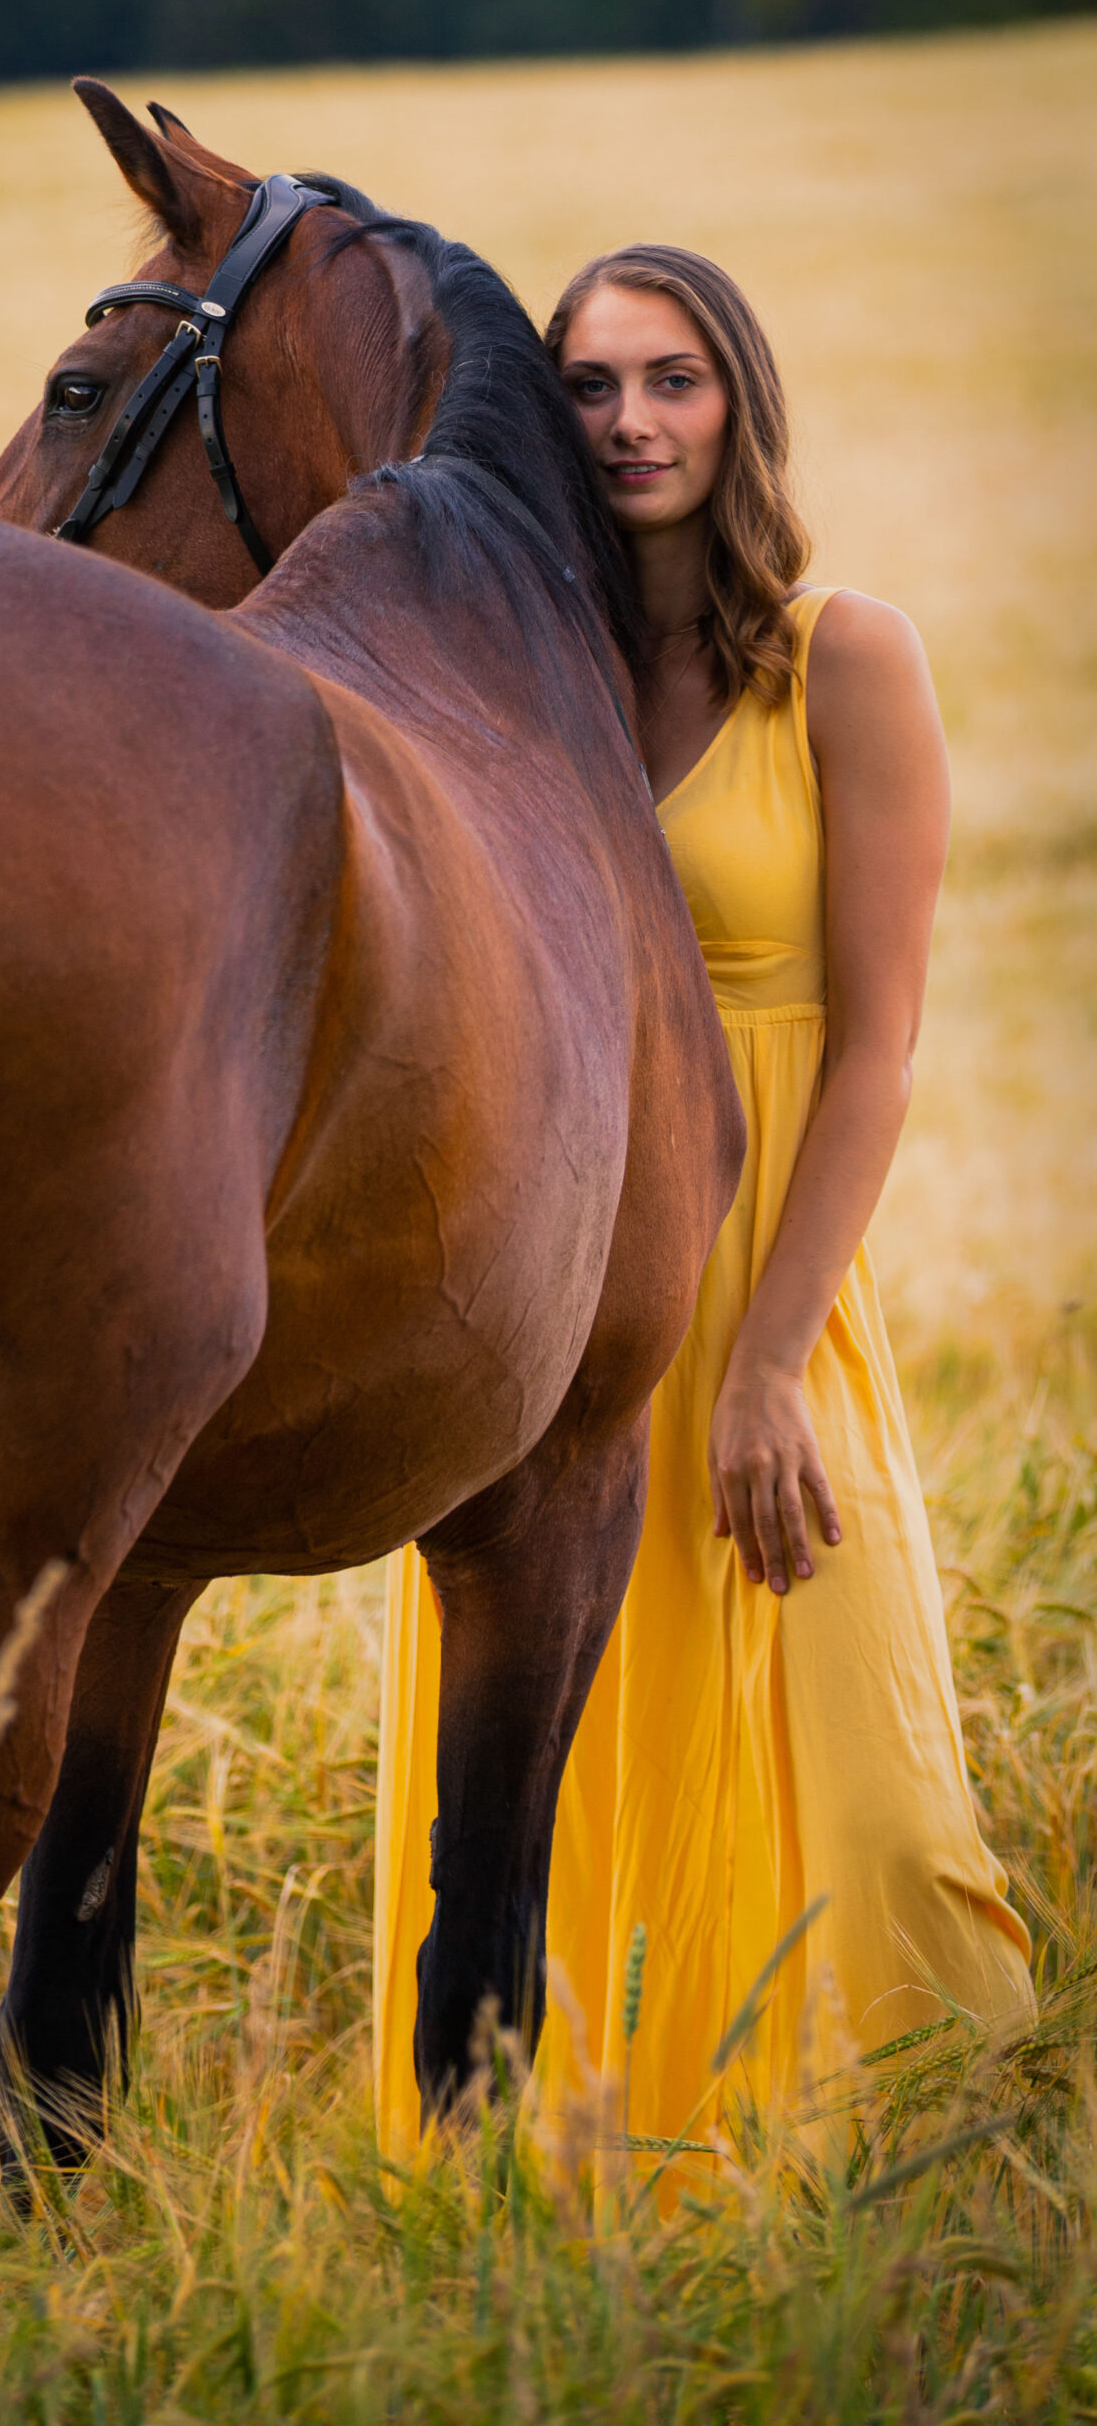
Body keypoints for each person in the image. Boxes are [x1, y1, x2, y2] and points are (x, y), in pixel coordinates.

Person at [373, 245, 1034, 2163]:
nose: (633, 424)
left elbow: (878, 1045)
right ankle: (565, 2183)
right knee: (543, 1772)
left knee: (866, 1779)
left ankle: (915, 2169)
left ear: (738, 403)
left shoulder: (846, 656)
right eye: (590, 388)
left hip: (757, 1271)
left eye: (673, 382)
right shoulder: (533, 671)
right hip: (551, 1280)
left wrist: (765, 1370)